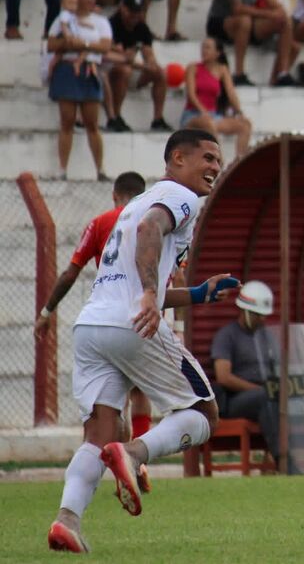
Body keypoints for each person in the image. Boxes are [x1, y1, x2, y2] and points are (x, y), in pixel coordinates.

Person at [45, 129, 236, 553]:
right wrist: (150, 294)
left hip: (93, 325)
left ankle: (67, 520)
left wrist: (199, 293)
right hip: (132, 323)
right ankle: (132, 454)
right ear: (177, 159)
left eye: (218, 160)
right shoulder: (177, 197)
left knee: (97, 434)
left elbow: (139, 261)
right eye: (206, 157)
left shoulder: (134, 204)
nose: (214, 167)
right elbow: (152, 231)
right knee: (204, 413)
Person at [34, 171, 152, 442]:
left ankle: (123, 473)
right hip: (143, 317)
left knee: (116, 401)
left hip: (107, 316)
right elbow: (175, 277)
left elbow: (70, 273)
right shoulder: (153, 222)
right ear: (143, 195)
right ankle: (140, 459)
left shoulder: (99, 223)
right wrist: (176, 326)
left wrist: (46, 312)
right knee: (140, 392)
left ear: (114, 195)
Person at [211, 280, 281, 465]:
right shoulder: (227, 336)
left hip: (267, 394)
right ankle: (282, 459)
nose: (263, 319)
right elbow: (223, 376)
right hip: (236, 399)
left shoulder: (267, 336)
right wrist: (258, 389)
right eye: (258, 315)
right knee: (265, 398)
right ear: (246, 311)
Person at [206, 0, 295, 87]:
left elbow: (276, 6)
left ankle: (282, 73)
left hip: (247, 24)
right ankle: (239, 73)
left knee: (286, 22)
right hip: (220, 22)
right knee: (244, 20)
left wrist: (278, 13)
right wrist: (269, 14)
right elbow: (237, 8)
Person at [46, 0, 110, 180]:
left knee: (92, 123)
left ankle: (99, 169)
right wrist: (70, 43)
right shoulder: (63, 19)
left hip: (88, 68)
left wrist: (82, 44)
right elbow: (51, 44)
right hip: (68, 68)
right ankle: (62, 168)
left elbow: (105, 46)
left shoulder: (100, 22)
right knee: (67, 120)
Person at [104, 0, 172, 133]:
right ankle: (115, 115)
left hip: (132, 68)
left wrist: (151, 64)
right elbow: (112, 57)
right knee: (124, 70)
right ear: (123, 8)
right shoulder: (110, 25)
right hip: (110, 71)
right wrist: (138, 63)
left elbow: (148, 54)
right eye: (131, 12)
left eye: (137, 13)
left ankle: (158, 119)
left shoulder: (142, 28)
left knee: (159, 72)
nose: (134, 17)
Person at [180, 38, 252, 157]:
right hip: (193, 115)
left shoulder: (222, 69)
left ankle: (239, 162)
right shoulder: (193, 67)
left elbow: (231, 94)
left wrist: (239, 112)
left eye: (208, 47)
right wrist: (203, 111)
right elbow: (191, 95)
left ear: (217, 53)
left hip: (212, 116)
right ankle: (219, 160)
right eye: (203, 47)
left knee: (245, 125)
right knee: (209, 123)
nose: (204, 50)